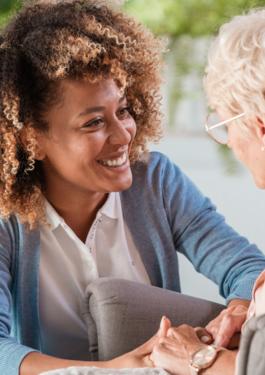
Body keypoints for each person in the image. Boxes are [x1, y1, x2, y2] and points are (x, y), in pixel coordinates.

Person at [0, 1, 264, 375]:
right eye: (93, 123)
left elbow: (246, 267)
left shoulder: (156, 181)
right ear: (32, 140)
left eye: (122, 111)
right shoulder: (7, 218)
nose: (124, 134)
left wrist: (238, 312)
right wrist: (111, 370)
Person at [150, 7, 265, 375]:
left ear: (259, 127)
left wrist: (197, 359)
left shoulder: (156, 178)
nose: (229, 141)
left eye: (226, 122)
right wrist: (242, 309)